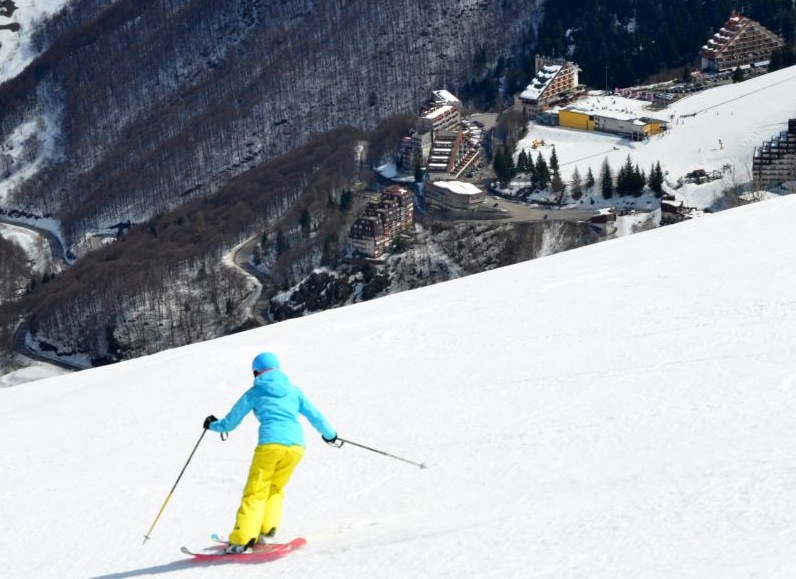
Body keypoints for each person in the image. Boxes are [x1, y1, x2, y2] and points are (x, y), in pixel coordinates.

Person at [204, 351, 338, 554]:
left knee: (256, 491)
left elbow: (230, 423)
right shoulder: (294, 391)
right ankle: (267, 530)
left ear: (256, 372)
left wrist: (212, 425)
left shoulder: (256, 392)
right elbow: (316, 416)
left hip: (270, 445)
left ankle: (242, 540)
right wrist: (330, 435)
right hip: (296, 447)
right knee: (275, 488)